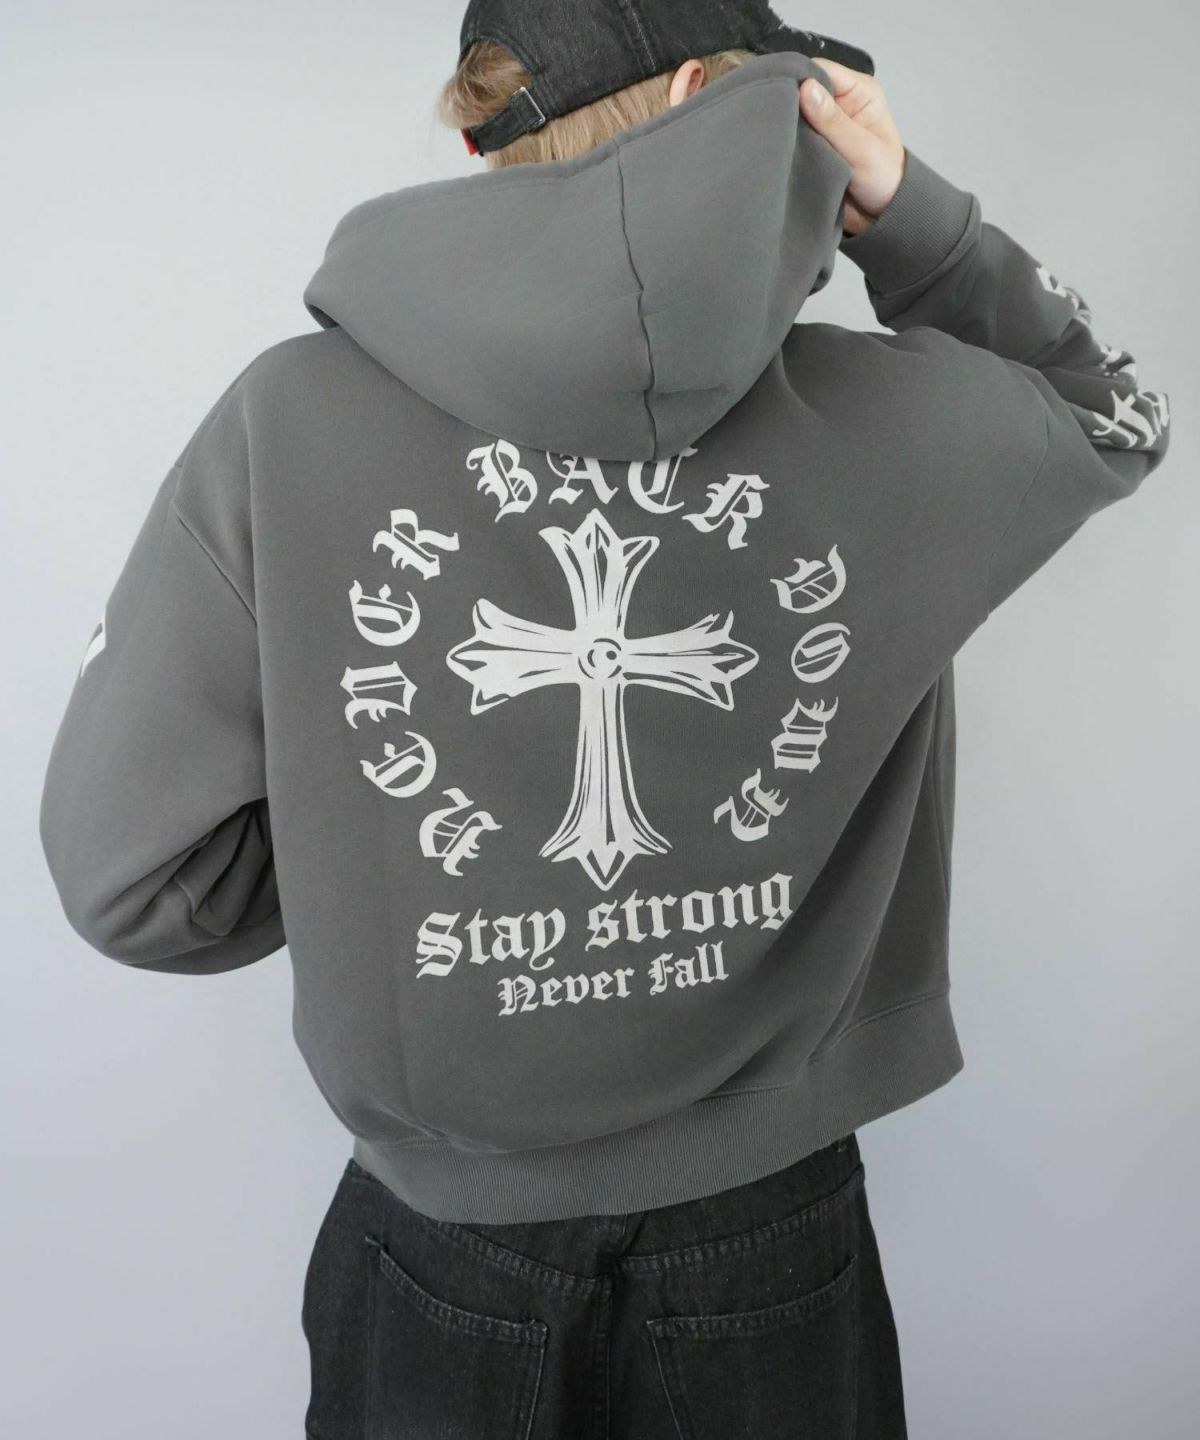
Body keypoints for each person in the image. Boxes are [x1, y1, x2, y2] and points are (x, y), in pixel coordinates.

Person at [38, 2, 1172, 1436]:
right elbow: (1111, 411)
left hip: (443, 1259)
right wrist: (910, 216)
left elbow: (130, 880)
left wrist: (354, 844)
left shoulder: (283, 423)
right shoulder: (894, 418)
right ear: (717, 93)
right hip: (776, 1247)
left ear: (481, 140)